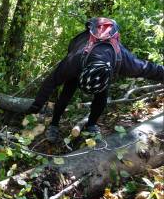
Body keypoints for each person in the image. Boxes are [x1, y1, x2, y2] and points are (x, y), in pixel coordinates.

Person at [26, 17, 164, 143]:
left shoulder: (124, 61)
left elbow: (150, 69)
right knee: (67, 92)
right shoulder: (74, 61)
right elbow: (51, 82)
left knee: (101, 97)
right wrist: (35, 107)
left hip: (104, 66)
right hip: (82, 46)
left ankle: (91, 124)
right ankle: (54, 124)